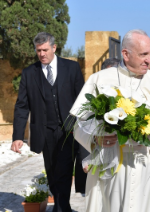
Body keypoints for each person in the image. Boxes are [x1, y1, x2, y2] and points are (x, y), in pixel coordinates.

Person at [71, 29, 150, 212]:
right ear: (125, 54)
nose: (148, 60)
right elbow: (79, 126)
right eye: (143, 54)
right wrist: (95, 139)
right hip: (113, 168)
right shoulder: (99, 80)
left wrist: (148, 135)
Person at [11, 32, 88, 212]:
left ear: (54, 47)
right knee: (52, 169)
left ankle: (62, 207)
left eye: (45, 49)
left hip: (68, 129)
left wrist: (86, 128)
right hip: (44, 132)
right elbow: (22, 106)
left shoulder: (72, 68)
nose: (42, 54)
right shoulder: (29, 73)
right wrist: (17, 136)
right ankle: (61, 206)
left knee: (64, 167)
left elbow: (82, 100)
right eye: (38, 50)